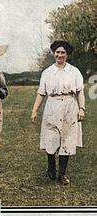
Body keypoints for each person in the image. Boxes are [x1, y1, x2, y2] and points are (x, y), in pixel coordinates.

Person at [31, 40, 85, 185]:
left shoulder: (74, 71)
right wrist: (34, 110)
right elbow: (41, 93)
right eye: (57, 52)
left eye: (63, 53)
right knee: (51, 137)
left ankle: (62, 174)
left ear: (67, 55)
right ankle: (51, 167)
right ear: (54, 53)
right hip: (52, 106)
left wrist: (81, 109)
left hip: (70, 106)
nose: (60, 55)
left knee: (67, 139)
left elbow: (80, 92)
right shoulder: (47, 72)